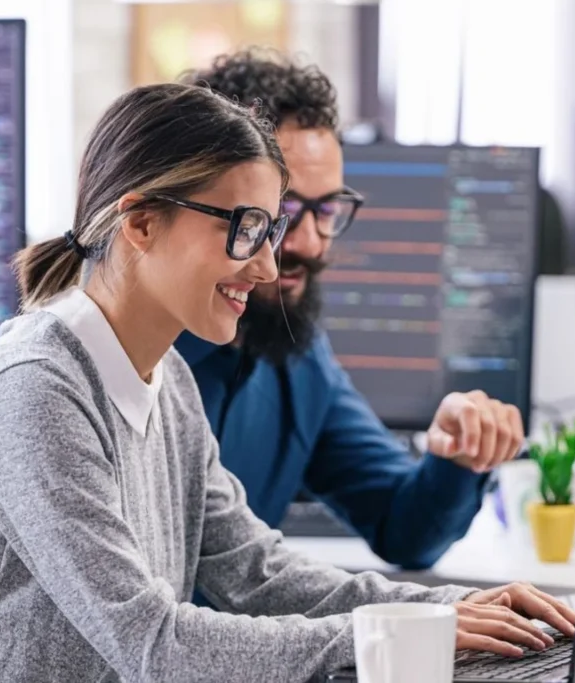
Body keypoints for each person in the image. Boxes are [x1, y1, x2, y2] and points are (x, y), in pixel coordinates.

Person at [0, 83, 575, 682]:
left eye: (267, 232)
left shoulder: (164, 377)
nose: (264, 267)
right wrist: (387, 631)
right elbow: (151, 644)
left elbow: (256, 572)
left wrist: (442, 608)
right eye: (245, 229)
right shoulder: (34, 391)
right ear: (139, 221)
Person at [178, 49, 526, 569]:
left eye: (329, 211)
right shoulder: (140, 357)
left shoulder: (295, 349)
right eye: (285, 212)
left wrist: (453, 457)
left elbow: (404, 530)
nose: (311, 243)